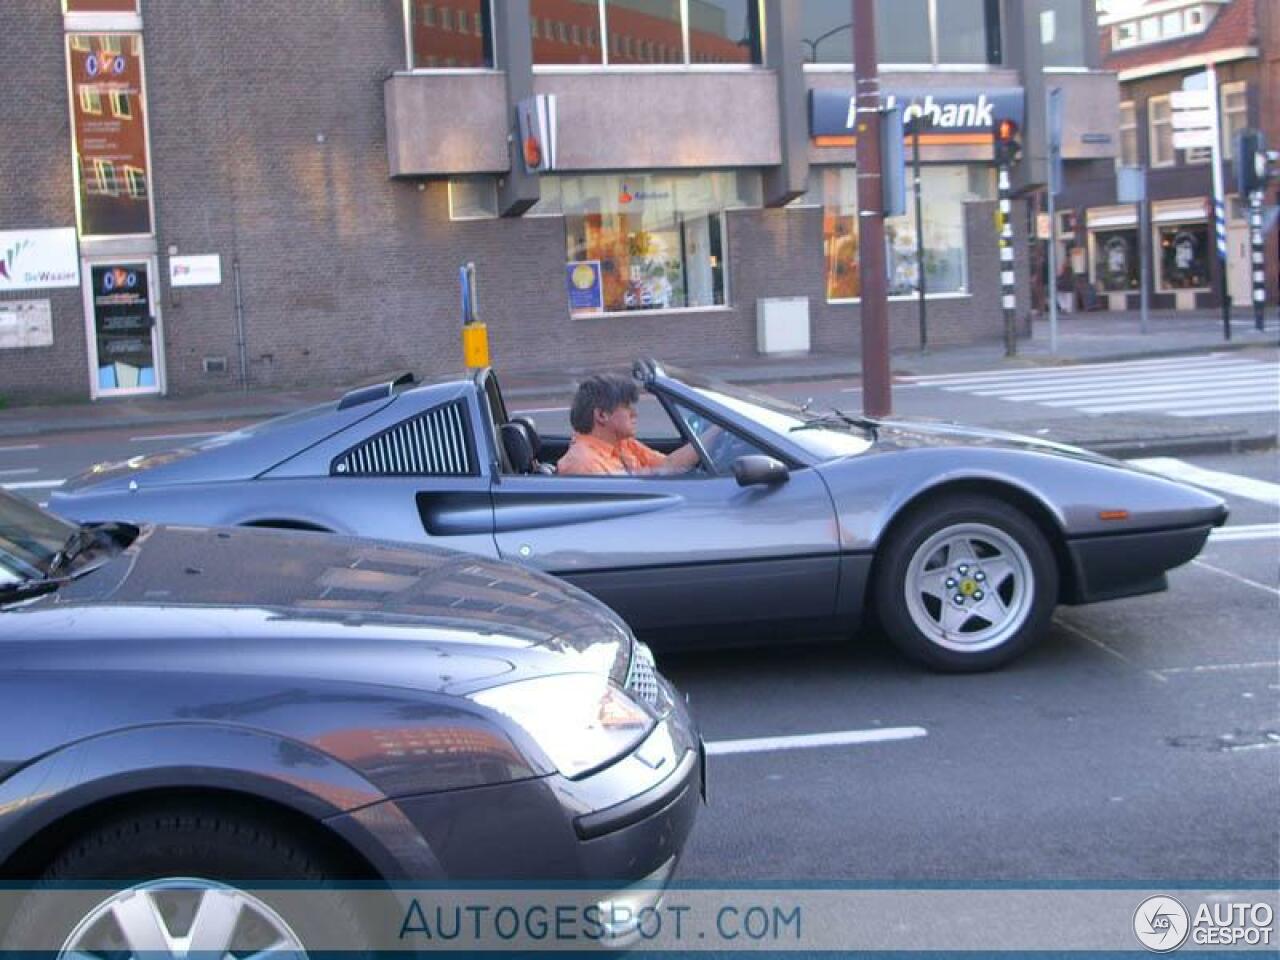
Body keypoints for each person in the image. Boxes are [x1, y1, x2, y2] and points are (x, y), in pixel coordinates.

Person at [557, 373, 709, 477]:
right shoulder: (584, 464)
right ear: (602, 415)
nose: (634, 414)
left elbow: (667, 465)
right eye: (626, 407)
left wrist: (716, 433)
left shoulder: (622, 443)